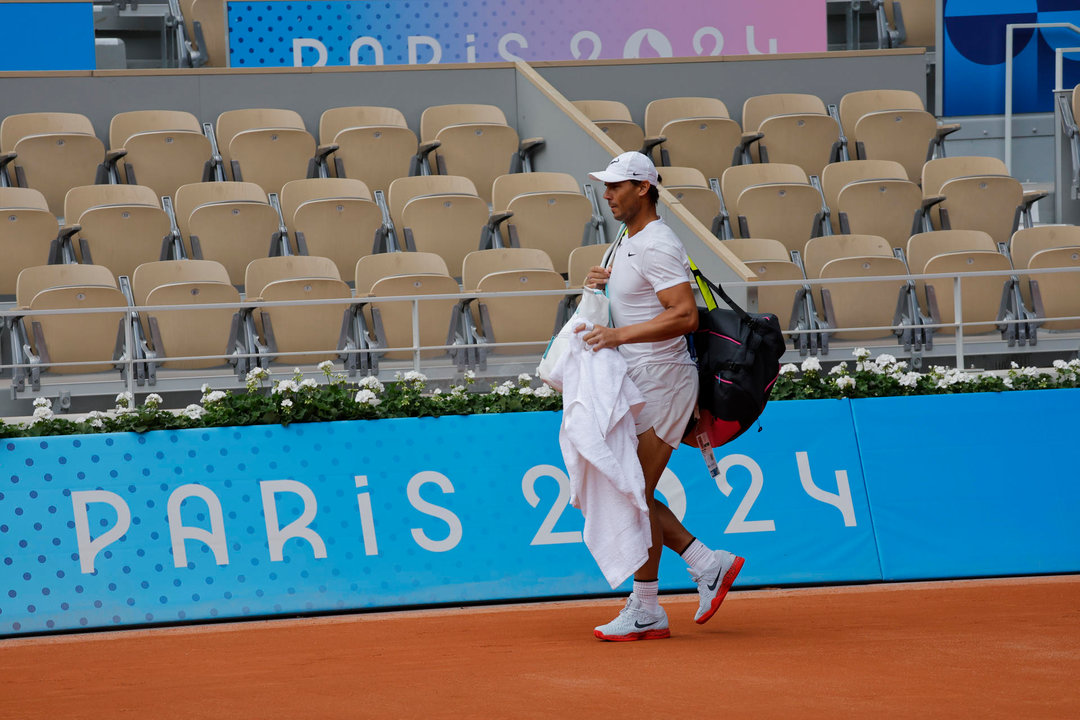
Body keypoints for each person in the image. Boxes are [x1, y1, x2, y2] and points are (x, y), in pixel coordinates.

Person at [579, 151, 745, 641]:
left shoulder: (658, 243)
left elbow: (684, 316)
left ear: (643, 188)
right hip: (638, 382)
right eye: (605, 186)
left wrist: (616, 338)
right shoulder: (625, 242)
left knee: (631, 493)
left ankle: (655, 601)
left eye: (616, 186)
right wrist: (599, 290)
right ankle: (700, 566)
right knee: (630, 492)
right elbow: (636, 307)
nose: (607, 195)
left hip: (664, 382)